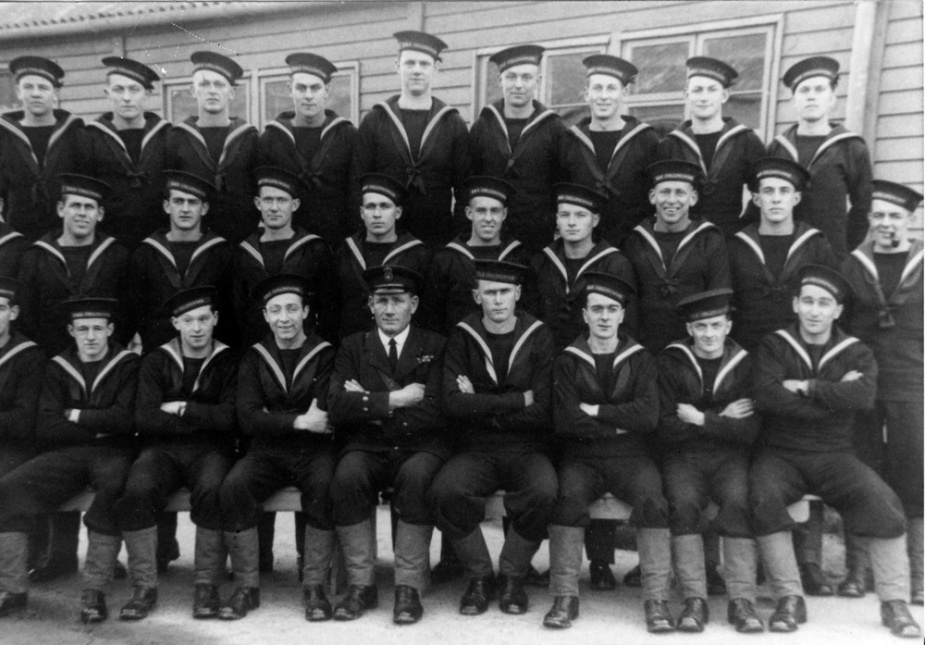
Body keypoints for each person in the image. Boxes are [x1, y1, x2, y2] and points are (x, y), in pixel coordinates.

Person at [749, 264, 920, 637]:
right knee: (764, 497)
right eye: (807, 301)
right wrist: (833, 395)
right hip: (781, 453)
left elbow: (863, 396)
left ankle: (895, 603)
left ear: (837, 311)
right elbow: (767, 397)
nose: (814, 310)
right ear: (795, 304)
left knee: (883, 501)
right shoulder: (775, 345)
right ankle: (788, 599)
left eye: (824, 303)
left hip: (834, 454)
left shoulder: (855, 351)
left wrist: (806, 387)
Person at [543, 271, 670, 633]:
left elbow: (648, 416)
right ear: (584, 314)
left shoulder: (641, 358)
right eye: (596, 309)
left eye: (611, 309)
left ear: (622, 315)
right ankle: (564, 597)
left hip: (631, 456)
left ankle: (656, 599)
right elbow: (565, 420)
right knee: (567, 499)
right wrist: (619, 421)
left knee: (653, 502)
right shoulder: (568, 359)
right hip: (582, 457)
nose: (603, 316)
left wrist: (597, 411)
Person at [429, 260, 556, 617]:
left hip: (526, 447)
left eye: (504, 292)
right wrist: (517, 400)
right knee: (446, 490)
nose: (497, 300)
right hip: (477, 448)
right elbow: (452, 404)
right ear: (476, 296)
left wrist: (480, 405)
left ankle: (513, 575)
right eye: (489, 293)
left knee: (545, 491)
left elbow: (545, 408)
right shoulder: (462, 335)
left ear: (517, 294)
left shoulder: (539, 335)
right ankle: (480, 576)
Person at [0, 297, 139, 622]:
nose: (90, 336)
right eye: (82, 329)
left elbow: (127, 419)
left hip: (114, 454)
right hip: (68, 452)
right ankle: (13, 589)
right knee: (9, 488)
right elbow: (47, 425)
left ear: (110, 329)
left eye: (96, 329)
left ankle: (94, 591)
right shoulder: (57, 365)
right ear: (71, 331)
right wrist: (98, 428)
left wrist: (76, 415)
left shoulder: (128, 364)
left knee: (112, 490)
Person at [328, 265, 448, 624]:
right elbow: (336, 405)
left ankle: (407, 588)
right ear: (370, 304)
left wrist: (367, 401)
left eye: (398, 301)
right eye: (382, 301)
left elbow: (437, 410)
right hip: (368, 445)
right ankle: (361, 586)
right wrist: (396, 400)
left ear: (413, 304)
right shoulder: (353, 346)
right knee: (347, 477)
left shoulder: (435, 345)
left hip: (419, 446)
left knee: (416, 478)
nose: (390, 309)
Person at [113, 287, 238, 621]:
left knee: (213, 489)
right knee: (137, 489)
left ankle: (206, 586)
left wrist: (181, 408)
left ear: (214, 319)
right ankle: (144, 587)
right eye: (187, 321)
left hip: (211, 451)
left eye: (202, 319)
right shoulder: (156, 359)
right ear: (175, 323)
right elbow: (146, 418)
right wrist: (204, 418)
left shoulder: (228, 359)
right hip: (162, 450)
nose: (196, 328)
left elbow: (231, 418)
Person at [219, 274, 337, 620]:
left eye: (291, 309)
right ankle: (245, 587)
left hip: (314, 452)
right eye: (275, 311)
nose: (283, 318)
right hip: (267, 451)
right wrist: (299, 420)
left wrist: (274, 416)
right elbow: (248, 417)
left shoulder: (325, 354)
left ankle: (314, 587)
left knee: (325, 486)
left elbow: (326, 406)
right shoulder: (254, 357)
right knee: (234, 486)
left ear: (305, 311)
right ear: (265, 316)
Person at [655, 289, 763, 633]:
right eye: (701, 327)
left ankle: (741, 601)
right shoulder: (671, 362)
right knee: (684, 504)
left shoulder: (744, 363)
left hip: (729, 458)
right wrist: (723, 419)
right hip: (683, 458)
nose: (709, 334)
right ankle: (694, 600)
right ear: (690, 329)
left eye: (716, 325)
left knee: (737, 501)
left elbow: (748, 431)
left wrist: (700, 419)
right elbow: (665, 427)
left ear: (728, 325)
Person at [842, 180, 923, 604]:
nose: (886, 223)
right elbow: (842, 326)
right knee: (864, 469)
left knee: (914, 472)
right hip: (865, 381)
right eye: (879, 216)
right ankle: (859, 568)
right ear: (870, 220)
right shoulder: (854, 264)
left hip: (913, 380)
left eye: (895, 216)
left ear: (911, 220)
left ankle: (918, 573)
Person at [354, 31, 470, 247]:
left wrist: (456, 240)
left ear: (436, 67)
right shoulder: (375, 120)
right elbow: (357, 185)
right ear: (397, 65)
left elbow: (464, 191)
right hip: (385, 240)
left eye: (424, 64)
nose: (417, 70)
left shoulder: (452, 123)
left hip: (437, 238)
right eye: (410, 63)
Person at [766, 56, 872, 260]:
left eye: (819, 90)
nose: (811, 97)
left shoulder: (850, 147)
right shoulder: (778, 147)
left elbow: (863, 206)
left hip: (830, 253)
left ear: (832, 98)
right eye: (804, 91)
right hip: (782, 252)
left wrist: (841, 246)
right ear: (794, 101)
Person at [729, 157, 837, 351]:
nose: (776, 199)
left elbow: (832, 304)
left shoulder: (816, 245)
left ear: (796, 198)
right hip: (746, 349)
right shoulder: (737, 246)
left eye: (784, 191)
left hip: (799, 352)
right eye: (768, 191)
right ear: (756, 199)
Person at [622, 160, 730, 354]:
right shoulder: (635, 241)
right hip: (645, 347)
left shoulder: (710, 240)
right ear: (652, 196)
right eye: (665, 192)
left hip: (694, 348)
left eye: (680, 193)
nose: (671, 200)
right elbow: (628, 305)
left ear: (693, 197)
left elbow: (718, 301)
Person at [18, 173, 130, 354]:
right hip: (50, 357)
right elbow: (27, 316)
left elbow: (127, 312)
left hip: (103, 357)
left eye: (89, 207)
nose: (82, 213)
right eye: (75, 205)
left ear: (100, 214)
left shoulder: (116, 255)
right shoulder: (36, 257)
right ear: (61, 209)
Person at [468, 45, 564, 253]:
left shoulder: (554, 128)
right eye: (511, 77)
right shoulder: (483, 126)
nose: (518, 85)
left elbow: (561, 184)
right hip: (491, 235)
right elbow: (468, 183)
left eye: (526, 77)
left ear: (537, 81)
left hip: (538, 238)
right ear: (500, 81)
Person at [558, 55, 659, 247]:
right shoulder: (569, 141)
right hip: (583, 247)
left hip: (634, 247)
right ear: (587, 93)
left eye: (611, 88)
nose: (603, 96)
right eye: (597, 88)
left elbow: (653, 201)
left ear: (625, 92)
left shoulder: (645, 139)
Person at [658, 57, 764, 237]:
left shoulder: (746, 141)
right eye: (697, 90)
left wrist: (741, 227)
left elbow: (763, 192)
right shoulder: (669, 146)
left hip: (729, 241)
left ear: (724, 95)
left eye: (712, 89)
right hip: (682, 241)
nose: (704, 97)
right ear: (686, 95)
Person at [259, 52, 359, 244]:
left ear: (326, 91)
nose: (308, 96)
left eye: (315, 88)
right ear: (290, 89)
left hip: (336, 242)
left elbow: (355, 195)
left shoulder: (347, 136)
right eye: (301, 88)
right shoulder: (271, 138)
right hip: (288, 244)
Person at [129, 170, 233, 353]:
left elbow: (229, 311)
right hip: (159, 353)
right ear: (167, 206)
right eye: (178, 201)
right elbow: (137, 312)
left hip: (208, 353)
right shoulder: (146, 253)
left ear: (204, 208)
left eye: (193, 202)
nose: (185, 209)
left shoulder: (221, 253)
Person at [233, 166, 337, 346]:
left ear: (294, 205)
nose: (274, 208)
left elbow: (329, 308)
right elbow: (237, 311)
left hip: (305, 350)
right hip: (258, 353)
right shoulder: (243, 253)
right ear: (258, 203)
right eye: (268, 200)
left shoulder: (314, 249)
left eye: (281, 200)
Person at [422, 175, 534, 336]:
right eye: (481, 211)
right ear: (469, 213)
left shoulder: (518, 257)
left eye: (495, 211)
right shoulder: (447, 259)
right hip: (459, 351)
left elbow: (529, 312)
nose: (488, 219)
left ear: (504, 214)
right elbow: (433, 318)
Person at [166, 51, 258, 244]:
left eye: (219, 84)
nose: (212, 90)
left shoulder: (249, 138)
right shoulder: (177, 138)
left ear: (231, 92)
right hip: (195, 240)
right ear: (193, 91)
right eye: (205, 84)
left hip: (241, 239)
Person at [533, 182, 637, 352]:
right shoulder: (541, 262)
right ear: (557, 219)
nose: (571, 223)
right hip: (548, 356)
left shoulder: (615, 265)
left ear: (594, 220)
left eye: (580, 215)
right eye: (565, 215)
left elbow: (628, 326)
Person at [87, 56, 170, 251]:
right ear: (107, 93)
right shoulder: (90, 138)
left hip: (157, 241)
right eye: (119, 89)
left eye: (134, 89)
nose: (126, 97)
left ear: (148, 93)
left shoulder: (166, 136)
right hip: (107, 242)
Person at [334, 173, 431, 339]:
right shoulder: (345, 252)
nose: (377, 214)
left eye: (385, 206)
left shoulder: (417, 254)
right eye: (370, 207)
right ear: (361, 212)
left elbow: (427, 310)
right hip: (352, 344)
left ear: (398, 212)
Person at [0, 56, 87, 241]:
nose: (36, 93)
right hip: (16, 234)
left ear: (55, 92)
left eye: (43, 87)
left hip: (64, 236)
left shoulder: (74, 134)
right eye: (28, 87)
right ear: (18, 91)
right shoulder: (5, 135)